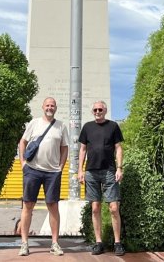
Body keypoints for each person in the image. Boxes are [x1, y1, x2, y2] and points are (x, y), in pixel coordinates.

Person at [18, 97, 69, 257]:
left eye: (52, 105)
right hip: (32, 170)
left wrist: (60, 167)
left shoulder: (61, 126)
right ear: (43, 107)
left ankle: (55, 243)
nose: (50, 107)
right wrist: (23, 163)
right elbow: (22, 142)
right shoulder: (34, 123)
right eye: (47, 105)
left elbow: (64, 148)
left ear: (56, 108)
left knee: (53, 206)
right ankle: (24, 244)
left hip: (52, 172)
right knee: (28, 205)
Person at [78, 99, 124, 256]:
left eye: (100, 110)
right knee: (95, 207)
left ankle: (117, 242)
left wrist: (119, 167)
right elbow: (82, 150)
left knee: (114, 207)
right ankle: (99, 243)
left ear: (105, 111)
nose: (98, 112)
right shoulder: (87, 127)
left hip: (109, 171)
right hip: (91, 172)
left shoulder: (113, 126)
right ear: (93, 111)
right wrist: (80, 171)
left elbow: (118, 148)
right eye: (95, 110)